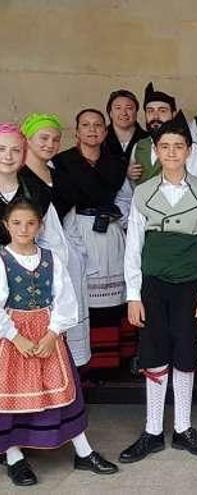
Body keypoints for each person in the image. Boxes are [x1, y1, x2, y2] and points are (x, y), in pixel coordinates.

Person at [118, 113, 197, 464]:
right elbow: (133, 246)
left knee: (185, 352)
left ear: (189, 151)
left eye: (179, 146)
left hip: (190, 286)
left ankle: (182, 427)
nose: (172, 152)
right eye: (165, 147)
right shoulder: (143, 192)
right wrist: (133, 295)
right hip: (152, 285)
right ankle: (151, 430)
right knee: (153, 352)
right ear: (156, 152)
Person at [0, 197, 118, 487]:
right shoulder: (1, 261)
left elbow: (66, 299)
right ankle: (14, 456)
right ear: (6, 226)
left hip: (47, 336)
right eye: (16, 223)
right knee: (8, 399)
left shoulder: (51, 259)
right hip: (13, 340)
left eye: (30, 223)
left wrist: (53, 333)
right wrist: (16, 337)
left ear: (40, 227)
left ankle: (83, 451)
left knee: (62, 394)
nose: (23, 229)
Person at [53, 109, 128, 370]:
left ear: (105, 132)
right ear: (77, 131)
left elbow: (124, 198)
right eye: (85, 125)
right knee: (84, 295)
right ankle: (87, 363)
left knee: (113, 296)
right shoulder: (62, 162)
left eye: (98, 125)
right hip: (78, 230)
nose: (92, 129)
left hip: (110, 230)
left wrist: (119, 217)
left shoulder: (116, 163)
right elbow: (60, 202)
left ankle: (114, 361)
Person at [20, 114, 91, 367]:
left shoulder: (59, 174)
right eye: (44, 138)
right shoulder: (21, 178)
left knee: (63, 319)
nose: (50, 144)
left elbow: (69, 219)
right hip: (32, 260)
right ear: (27, 140)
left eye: (55, 139)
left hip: (65, 257)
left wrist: (78, 254)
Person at [128, 83, 197, 185]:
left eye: (162, 111)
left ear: (173, 114)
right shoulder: (138, 147)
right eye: (150, 111)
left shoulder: (190, 148)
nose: (155, 116)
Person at [104, 89, 149, 163]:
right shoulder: (100, 139)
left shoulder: (148, 139)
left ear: (136, 112)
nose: (124, 113)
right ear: (110, 113)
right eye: (118, 108)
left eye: (129, 108)